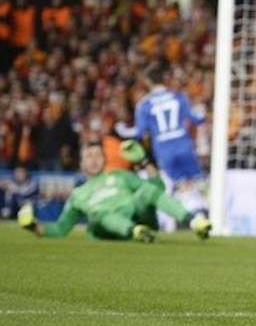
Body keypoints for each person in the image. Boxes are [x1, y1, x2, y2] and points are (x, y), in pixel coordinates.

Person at [17, 141, 211, 241]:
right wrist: (32, 226)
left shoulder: (119, 175)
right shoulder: (78, 194)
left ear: (104, 159)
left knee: (146, 191)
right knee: (99, 214)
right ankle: (134, 232)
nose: (94, 159)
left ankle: (194, 221)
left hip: (139, 219)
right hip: (105, 230)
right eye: (89, 156)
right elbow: (60, 229)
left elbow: (156, 189)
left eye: (98, 155)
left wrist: (143, 161)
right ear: (81, 163)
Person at [117, 65, 209, 227]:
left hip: (165, 152)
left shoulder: (144, 105)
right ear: (164, 79)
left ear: (148, 82)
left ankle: (176, 223)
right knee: (199, 184)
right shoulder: (179, 97)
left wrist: (120, 129)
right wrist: (203, 112)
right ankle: (208, 216)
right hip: (184, 146)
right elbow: (196, 119)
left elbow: (138, 133)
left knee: (176, 187)